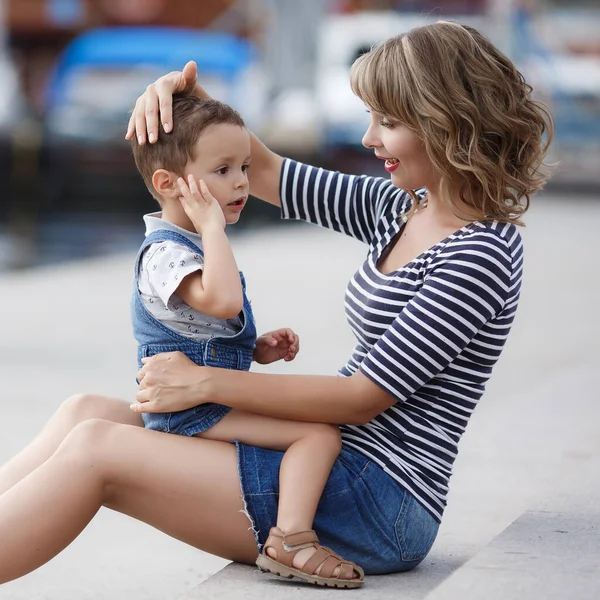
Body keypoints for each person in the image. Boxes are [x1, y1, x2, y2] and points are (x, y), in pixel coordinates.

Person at [0, 21, 553, 588]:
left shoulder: (478, 252)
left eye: (387, 122)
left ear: (449, 122)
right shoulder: (402, 209)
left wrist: (204, 383)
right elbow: (262, 170)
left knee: (99, 448)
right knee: (85, 413)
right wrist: (184, 107)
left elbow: (362, 398)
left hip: (377, 500)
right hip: (330, 467)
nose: (369, 139)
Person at [129, 94, 363, 587]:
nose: (240, 182)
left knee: (314, 432)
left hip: (200, 396)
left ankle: (290, 532)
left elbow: (205, 323)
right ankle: (292, 539)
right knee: (317, 435)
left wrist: (253, 348)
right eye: (222, 170)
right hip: (187, 409)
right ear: (168, 184)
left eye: (245, 167)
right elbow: (223, 301)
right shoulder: (165, 253)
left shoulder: (192, 244)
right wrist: (213, 227)